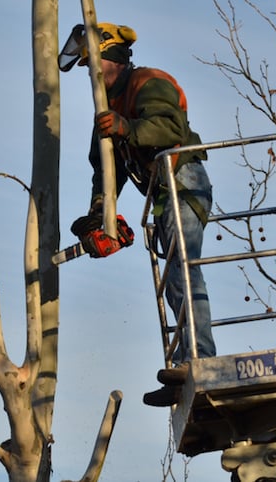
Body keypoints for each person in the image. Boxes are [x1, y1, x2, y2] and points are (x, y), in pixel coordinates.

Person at [59, 22, 216, 407]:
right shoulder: (107, 111)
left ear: (111, 60)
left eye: (93, 65)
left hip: (182, 179)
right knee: (173, 278)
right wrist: (102, 216)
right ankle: (184, 368)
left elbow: (168, 127)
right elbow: (105, 170)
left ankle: (200, 362)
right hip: (161, 192)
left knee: (182, 268)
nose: (90, 74)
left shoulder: (148, 82)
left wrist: (127, 127)